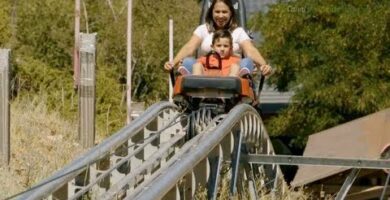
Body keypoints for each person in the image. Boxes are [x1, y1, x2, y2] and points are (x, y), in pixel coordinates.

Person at [164, 0, 272, 76]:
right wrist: (173, 63)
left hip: (231, 72)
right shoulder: (203, 29)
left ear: (231, 13)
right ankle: (192, 90)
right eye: (217, 12)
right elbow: (190, 47)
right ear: (212, 13)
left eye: (224, 12)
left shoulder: (238, 32)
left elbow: (250, 50)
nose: (220, 16)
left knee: (246, 61)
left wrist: (264, 65)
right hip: (206, 71)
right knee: (188, 62)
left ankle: (232, 85)